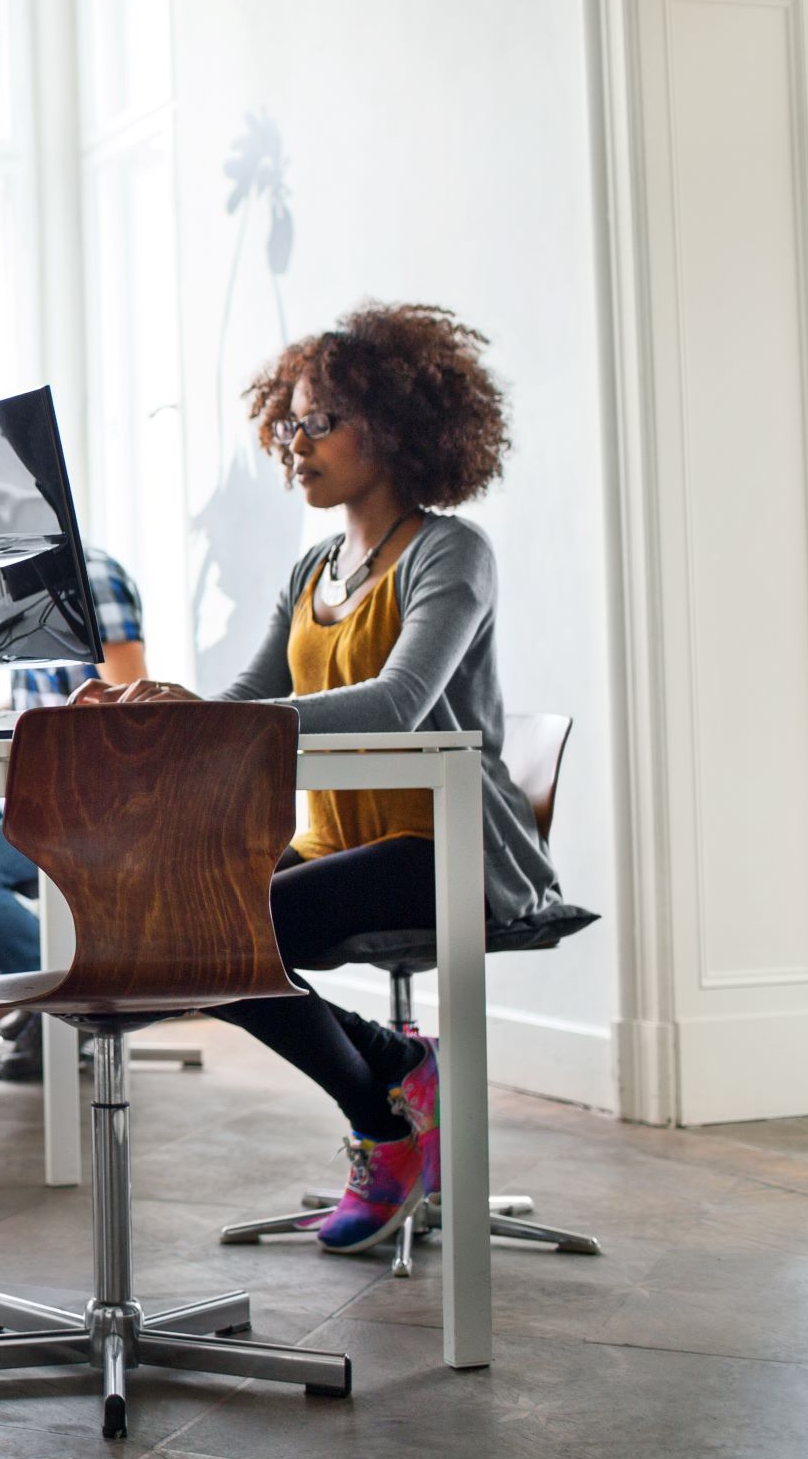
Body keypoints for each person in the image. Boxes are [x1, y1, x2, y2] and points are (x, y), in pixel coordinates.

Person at [77, 302, 568, 1254]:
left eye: (320, 422)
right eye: (290, 423)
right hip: (338, 839)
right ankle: (390, 1068)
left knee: (226, 932)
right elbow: (255, 695)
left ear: (392, 429)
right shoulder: (313, 568)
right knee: (190, 929)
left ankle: (386, 1123)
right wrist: (172, 708)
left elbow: (398, 703)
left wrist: (222, 720)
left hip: (447, 848)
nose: (295, 444)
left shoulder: (450, 552)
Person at [0, 551, 150, 1081]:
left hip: (95, 795)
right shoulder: (0, 584)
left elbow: (132, 702)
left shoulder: (91, 577)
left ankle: (64, 1006)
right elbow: (22, 706)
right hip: (31, 787)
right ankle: (43, 991)